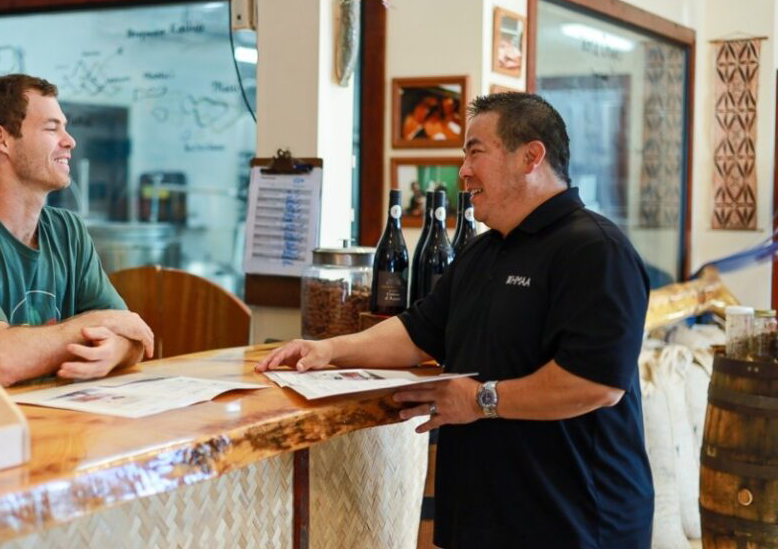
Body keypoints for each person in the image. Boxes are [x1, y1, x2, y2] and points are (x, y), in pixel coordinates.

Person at [257, 92, 653, 548]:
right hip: (483, 520)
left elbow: (596, 384)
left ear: (531, 156)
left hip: (576, 526)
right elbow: (418, 331)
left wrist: (482, 399)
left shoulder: (595, 249)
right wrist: (327, 349)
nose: (463, 171)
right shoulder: (482, 252)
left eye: (475, 152)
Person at [0, 74, 153, 387]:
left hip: (62, 424)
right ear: (2, 140)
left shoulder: (69, 231)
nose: (70, 141)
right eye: (52, 128)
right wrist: (98, 321)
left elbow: (133, 337)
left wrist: (115, 352)